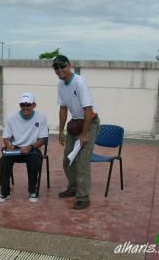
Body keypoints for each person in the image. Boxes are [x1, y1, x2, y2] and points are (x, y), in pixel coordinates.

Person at [52, 55, 100, 210]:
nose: (60, 70)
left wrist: (85, 134)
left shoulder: (80, 83)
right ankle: (73, 187)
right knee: (67, 159)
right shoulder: (61, 85)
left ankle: (83, 197)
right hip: (75, 124)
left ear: (69, 65)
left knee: (82, 161)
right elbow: (63, 108)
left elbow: (88, 110)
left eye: (62, 66)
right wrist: (60, 131)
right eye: (56, 68)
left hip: (89, 123)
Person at [0, 92, 48, 203]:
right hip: (15, 149)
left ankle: (32, 191)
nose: (25, 107)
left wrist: (30, 147)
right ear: (20, 105)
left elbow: (43, 139)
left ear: (34, 105)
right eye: (23, 105)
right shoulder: (11, 118)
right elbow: (6, 137)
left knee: (34, 161)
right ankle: (4, 192)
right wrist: (8, 145)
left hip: (32, 149)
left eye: (28, 105)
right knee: (4, 160)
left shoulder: (41, 117)